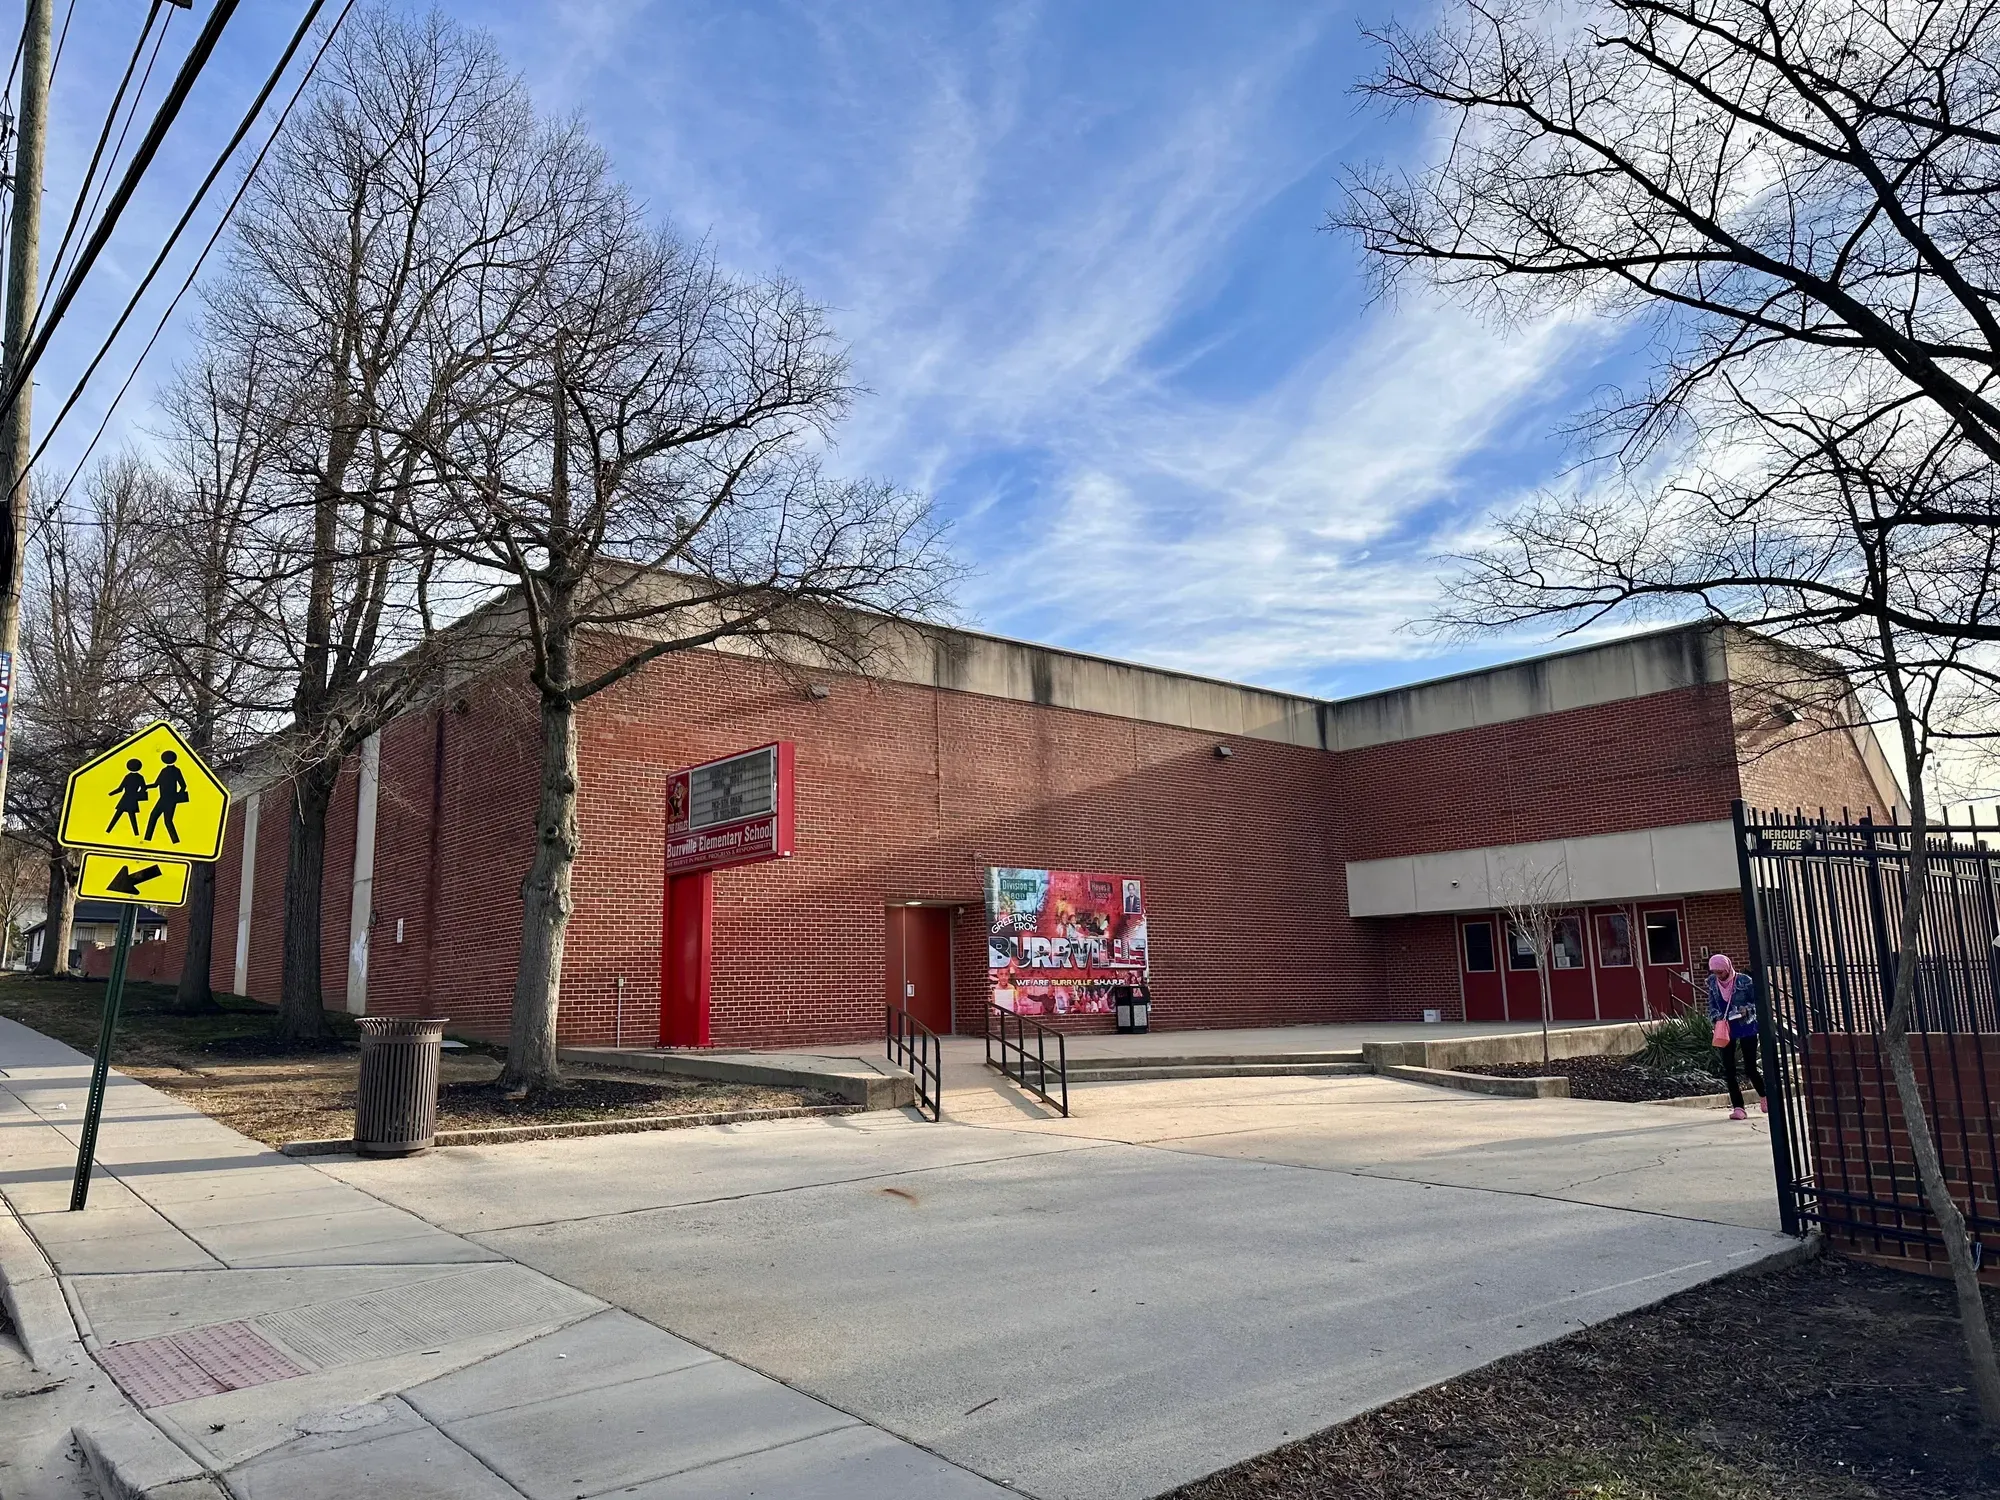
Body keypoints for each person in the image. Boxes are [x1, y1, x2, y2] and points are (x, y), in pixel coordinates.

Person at [1708, 952, 1766, 1120]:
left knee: (1750, 1067)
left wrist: (1746, 1010)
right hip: (1725, 1028)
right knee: (1729, 1069)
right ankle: (1739, 1107)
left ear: (1727, 968)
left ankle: (1764, 1096)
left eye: (1721, 972)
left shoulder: (1744, 981)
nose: (1718, 975)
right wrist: (1715, 1016)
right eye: (1715, 972)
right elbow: (1711, 1003)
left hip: (1746, 1025)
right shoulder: (1712, 983)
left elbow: (1756, 1001)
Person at [145, 750, 189, 844]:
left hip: (170, 800)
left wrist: (176, 797)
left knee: (167, 821)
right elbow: (156, 784)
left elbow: (183, 785)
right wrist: (145, 786)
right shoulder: (163, 771)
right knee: (153, 816)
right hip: (162, 799)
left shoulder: (176, 771)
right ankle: (147, 840)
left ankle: (176, 842)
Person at [106, 758, 147, 835]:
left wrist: (111, 794)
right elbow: (143, 788)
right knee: (132, 817)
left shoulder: (127, 776)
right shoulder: (140, 777)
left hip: (125, 798)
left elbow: (120, 789)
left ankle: (108, 830)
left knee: (117, 815)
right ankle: (136, 833)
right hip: (133, 799)